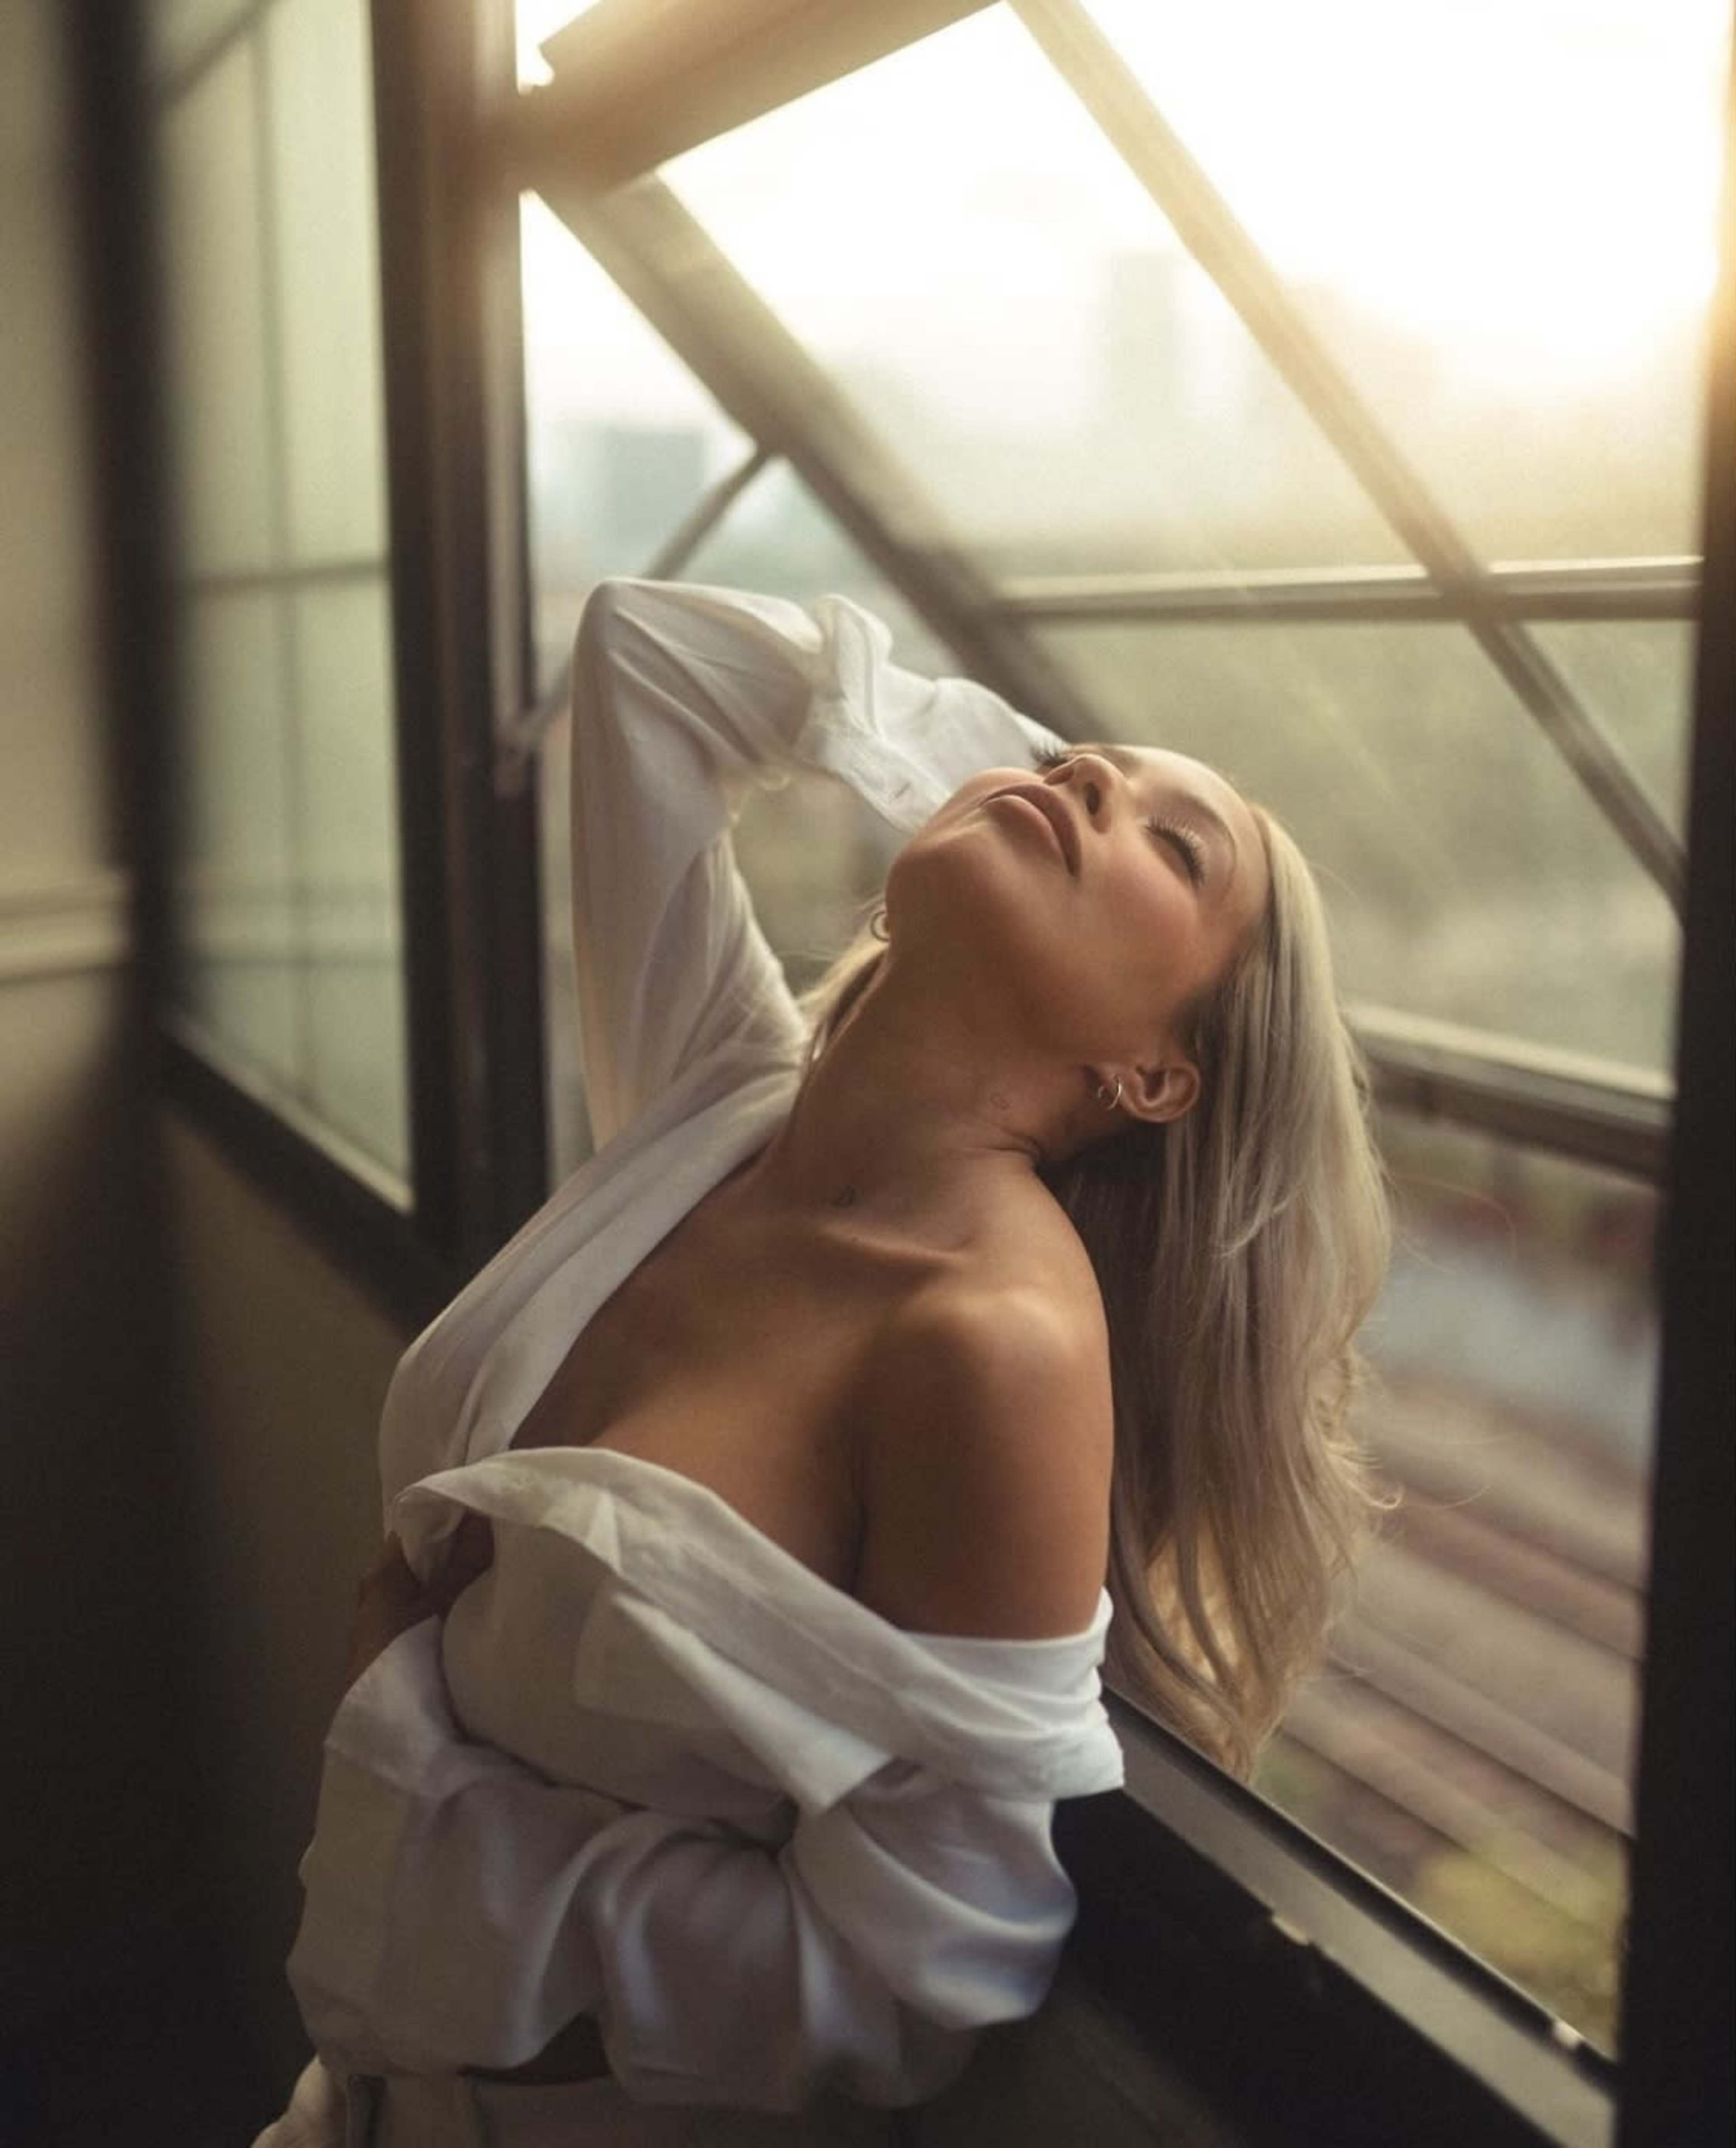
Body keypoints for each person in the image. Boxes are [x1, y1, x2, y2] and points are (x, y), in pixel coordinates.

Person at [253, 578, 1391, 2147]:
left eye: (1172, 846)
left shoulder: (992, 1348)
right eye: (1077, 761)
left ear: (1154, 1073)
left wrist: (440, 1815)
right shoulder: (716, 1105)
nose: (1084, 784)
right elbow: (646, 659)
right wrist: (1009, 777)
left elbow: (918, 1977)